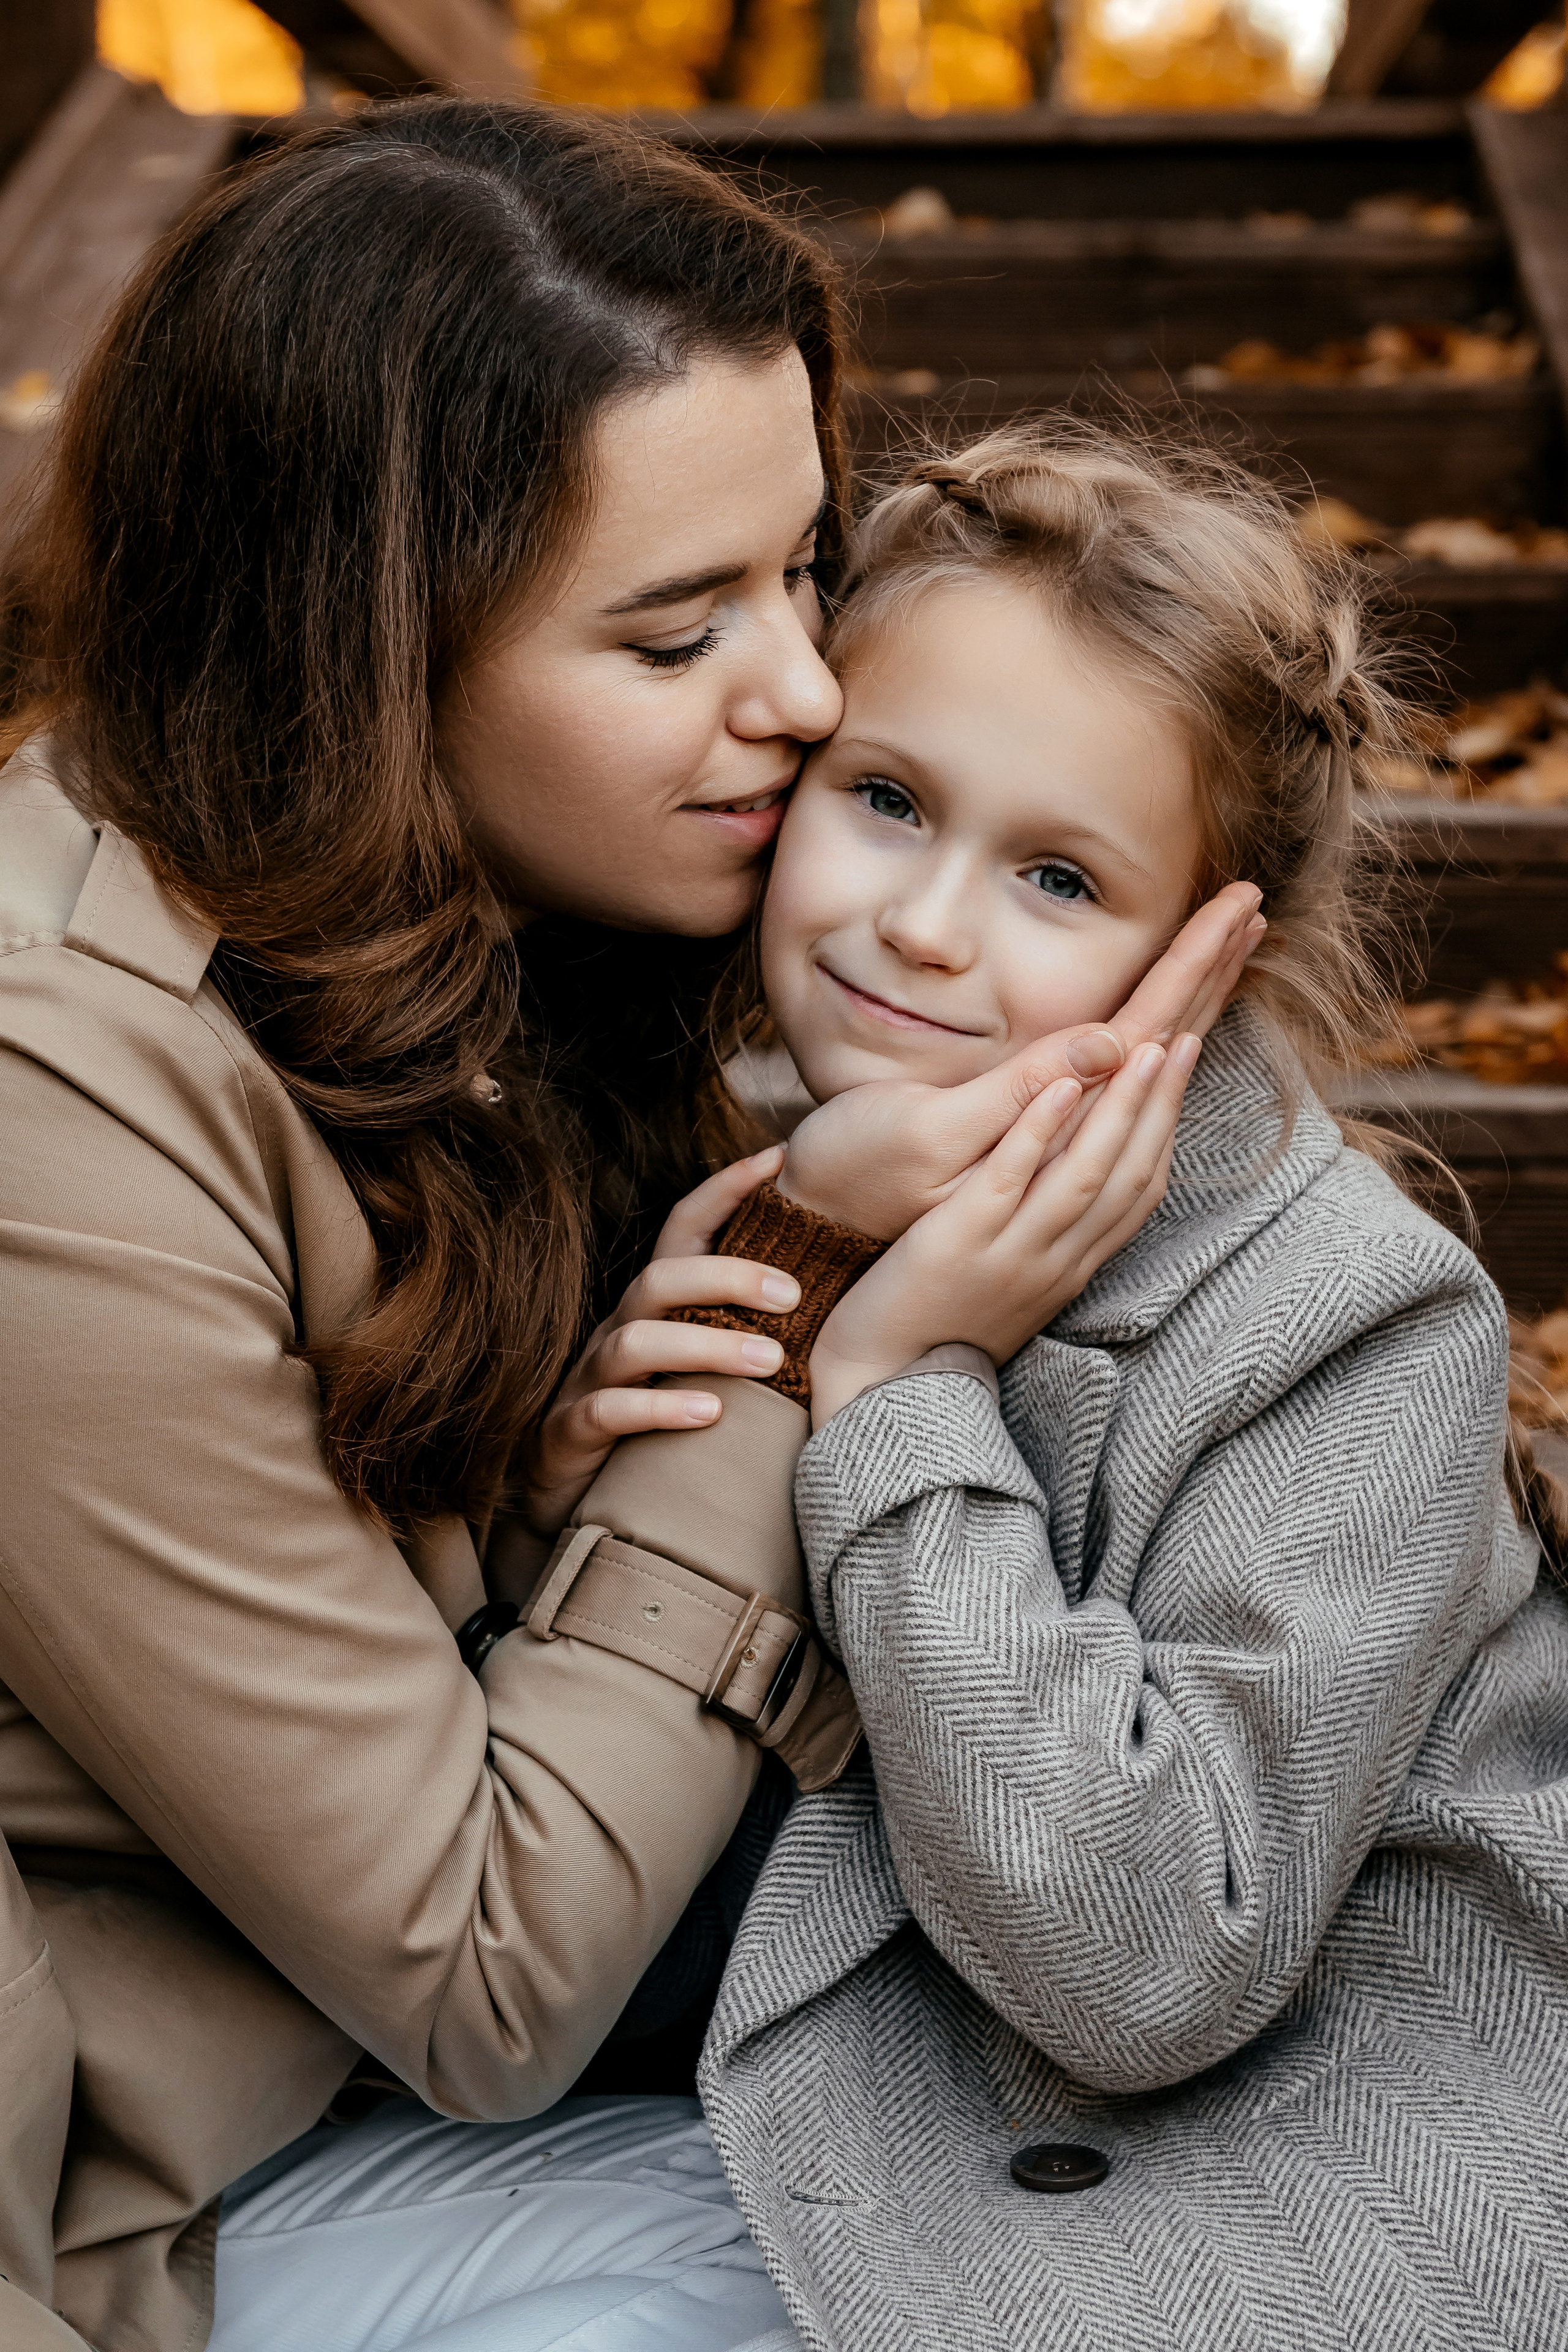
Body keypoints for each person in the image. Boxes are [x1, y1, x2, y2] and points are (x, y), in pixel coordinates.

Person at [0, 108, 1254, 2352]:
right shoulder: (46, 1107)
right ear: (353, 649)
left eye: (803, 569)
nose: (800, 692)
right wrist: (801, 1308)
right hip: (187, 2182)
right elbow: (492, 1968)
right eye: (677, 631)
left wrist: (550, 1485)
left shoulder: (455, 931)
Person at [631, 422, 1562, 2349]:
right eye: (886, 798)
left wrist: (901, 1387)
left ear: (1207, 960)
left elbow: (1145, 1961)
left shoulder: (1360, 1324)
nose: (924, 924)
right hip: (859, 2054)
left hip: (1301, 2180)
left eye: (1058, 874)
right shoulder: (757, 1154)